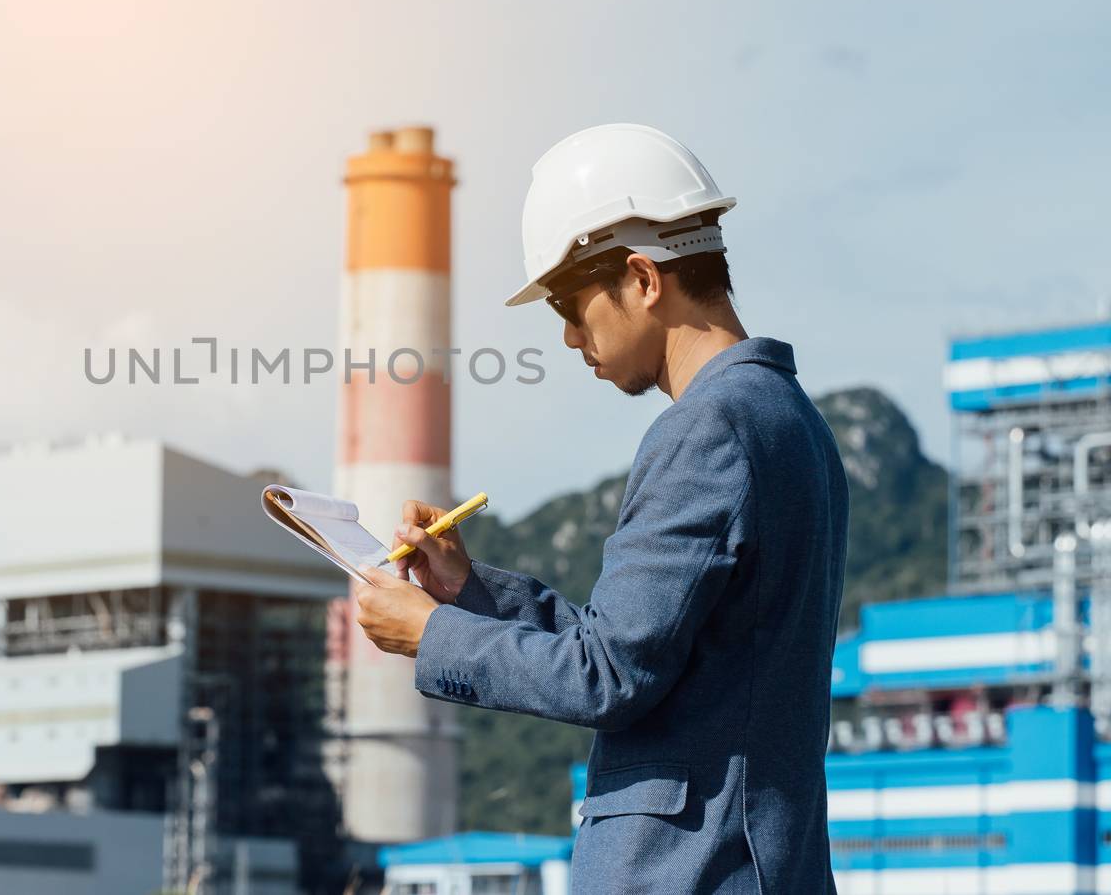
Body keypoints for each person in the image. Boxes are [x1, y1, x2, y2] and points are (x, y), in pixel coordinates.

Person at [354, 123, 849, 894]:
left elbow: (607, 675)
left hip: (692, 868)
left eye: (569, 301)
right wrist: (466, 590)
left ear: (644, 278)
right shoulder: (794, 421)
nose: (566, 334)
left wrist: (432, 635)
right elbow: (636, 646)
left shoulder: (707, 425)